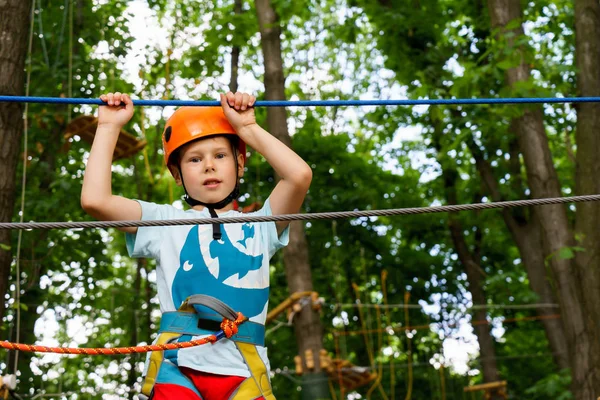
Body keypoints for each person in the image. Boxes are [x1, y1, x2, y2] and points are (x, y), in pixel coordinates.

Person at [81, 91, 312, 400]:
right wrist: (109, 126)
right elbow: (96, 201)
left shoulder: (261, 226)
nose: (208, 166)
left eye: (220, 155)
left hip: (243, 372)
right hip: (177, 368)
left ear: (240, 163)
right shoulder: (164, 222)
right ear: (177, 174)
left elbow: (299, 176)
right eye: (194, 159)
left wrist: (247, 128)